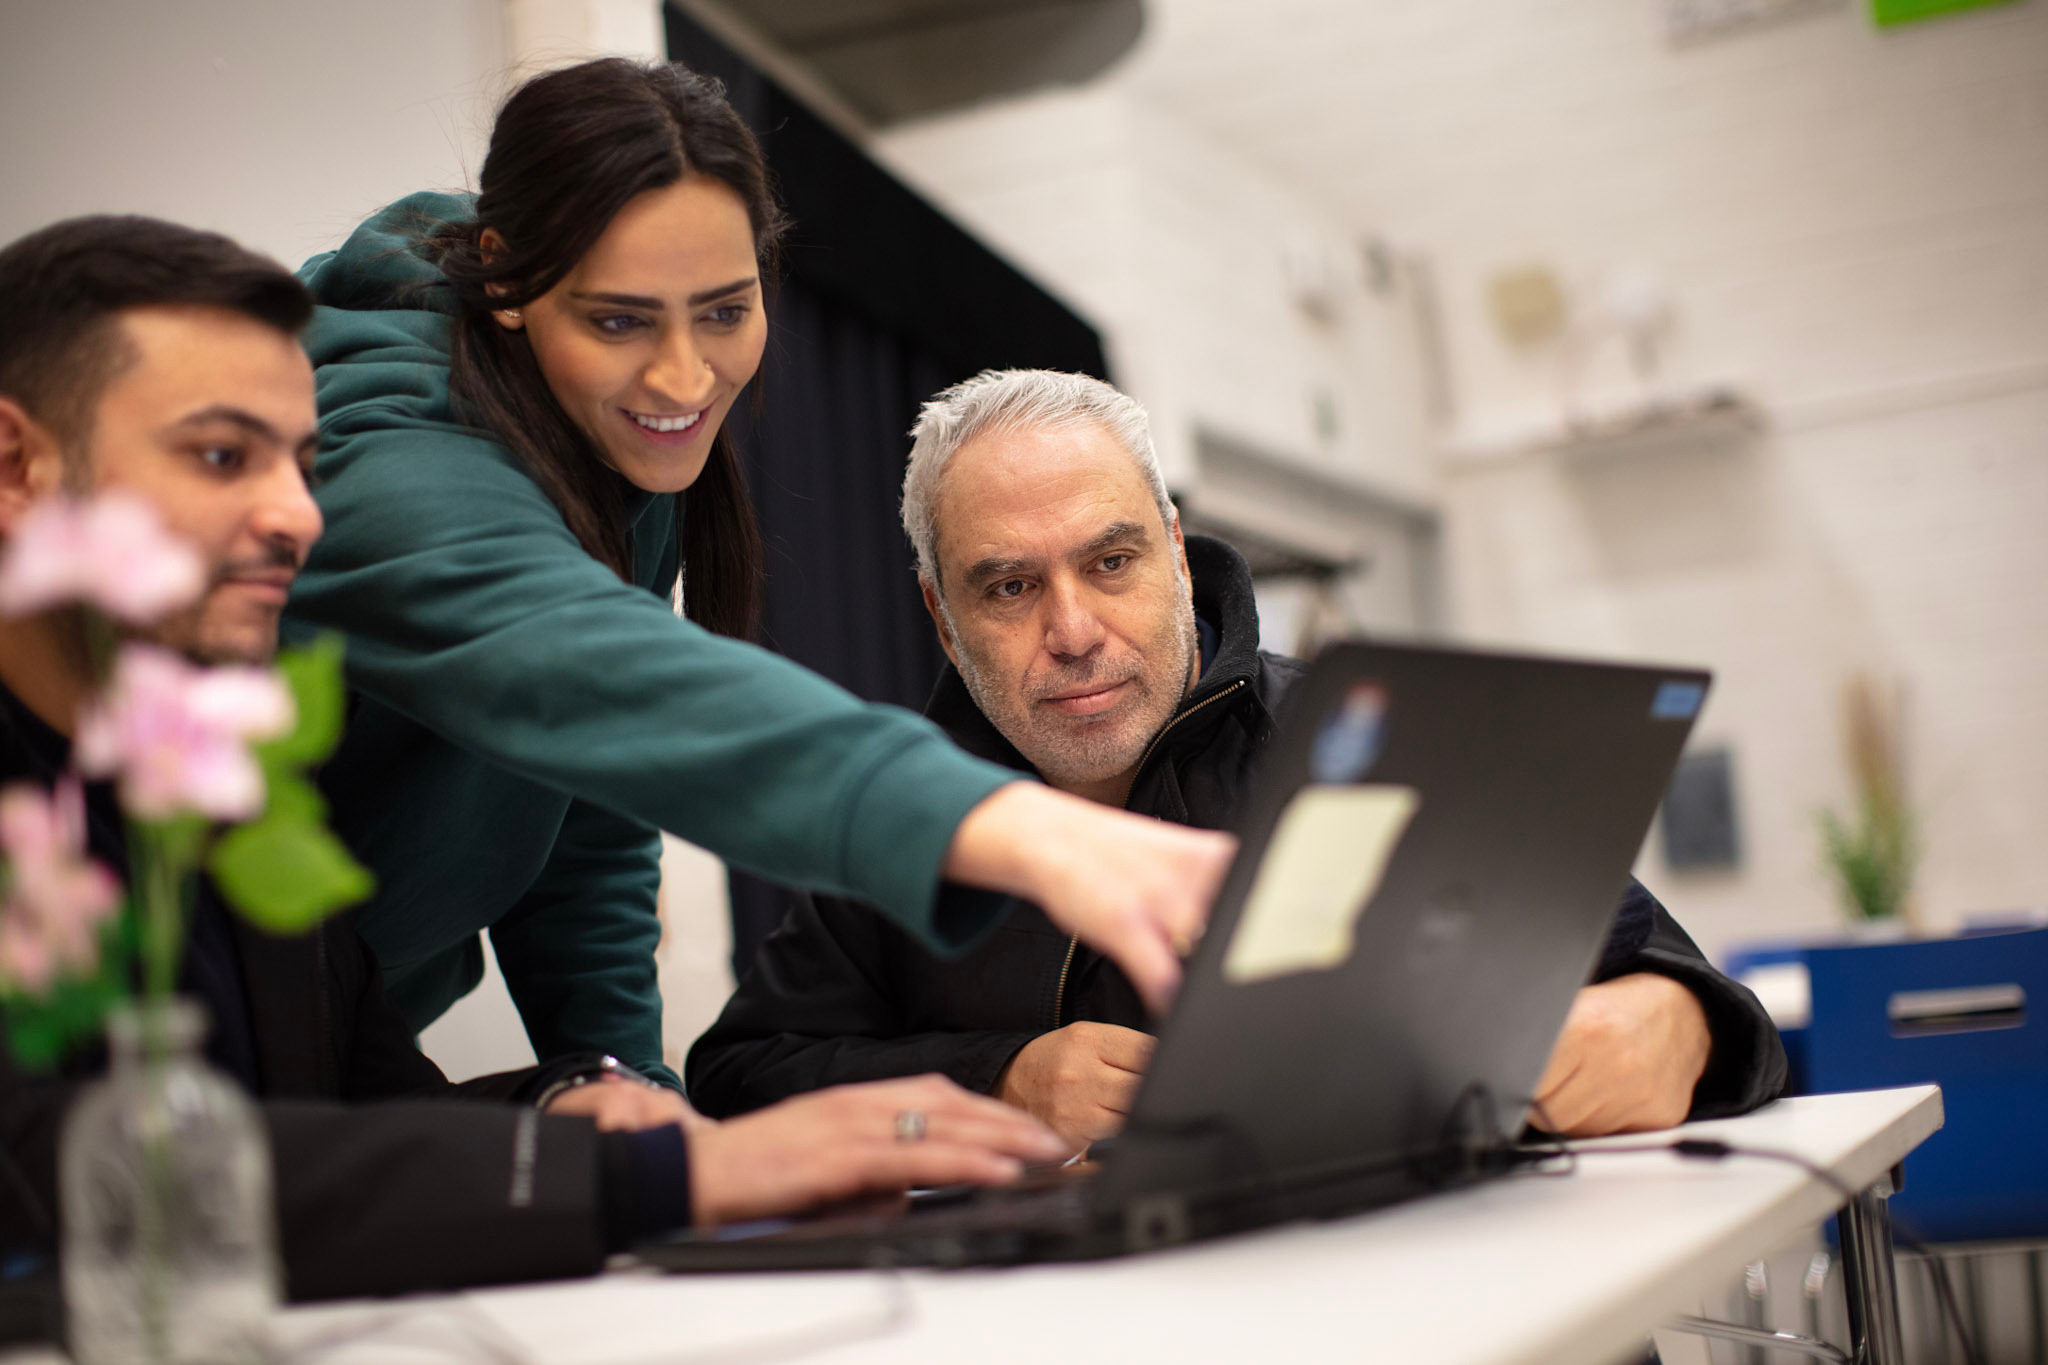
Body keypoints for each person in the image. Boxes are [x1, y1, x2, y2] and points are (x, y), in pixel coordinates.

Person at [0, 217, 1068, 1304]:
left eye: (301, 463)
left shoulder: (213, 791)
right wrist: (656, 1171)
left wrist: (571, 1099)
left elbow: (358, 1124)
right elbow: (64, 1174)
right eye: (224, 456)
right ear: (17, 463)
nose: (295, 514)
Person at [284, 58, 1227, 1086]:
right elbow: (597, 682)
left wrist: (621, 1091)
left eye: (725, 310)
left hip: (341, 1036)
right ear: (507, 278)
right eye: (618, 320)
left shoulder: (602, 442)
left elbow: (585, 812)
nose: (686, 377)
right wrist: (1011, 828)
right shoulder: (377, 449)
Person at [687, 369, 1789, 1146]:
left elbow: (1685, 989)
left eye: (1110, 560)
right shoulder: (901, 813)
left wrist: (1675, 1025)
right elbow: (740, 1077)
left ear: (1172, 549)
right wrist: (1001, 1080)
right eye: (1009, 586)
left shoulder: (1365, 745)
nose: (1070, 630)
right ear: (940, 615)